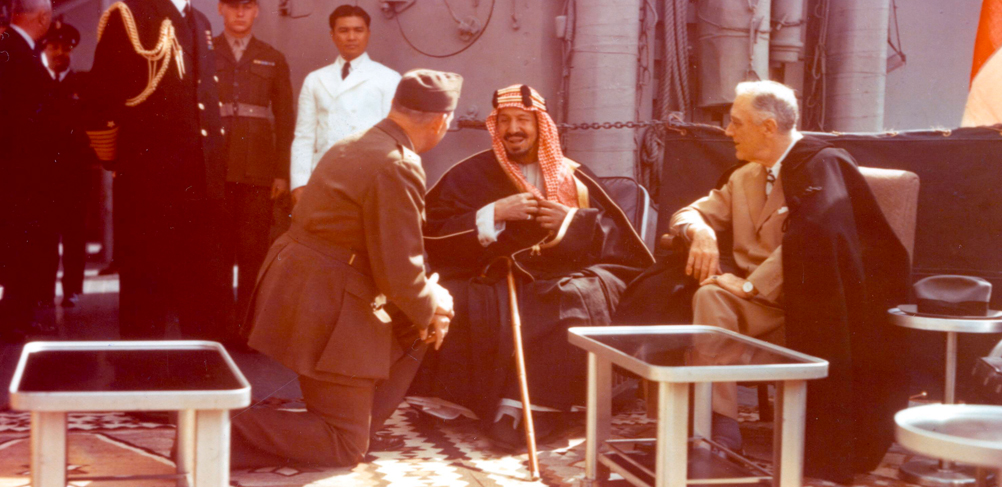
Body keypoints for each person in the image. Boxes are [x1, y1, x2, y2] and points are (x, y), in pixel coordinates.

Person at [617, 80, 909, 484]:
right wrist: (698, 232)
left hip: (811, 308)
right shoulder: (745, 177)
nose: (727, 131)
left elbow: (815, 239)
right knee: (708, 295)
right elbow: (689, 212)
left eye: (736, 123)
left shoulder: (822, 164)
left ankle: (712, 425)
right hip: (752, 308)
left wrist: (753, 286)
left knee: (717, 292)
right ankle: (719, 425)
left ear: (768, 127)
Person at [231, 69, 463, 469]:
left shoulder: (356, 142)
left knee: (417, 326)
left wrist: (426, 305)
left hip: (305, 284)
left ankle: (351, 425)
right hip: (326, 300)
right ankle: (221, 426)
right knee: (343, 447)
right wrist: (435, 303)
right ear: (442, 120)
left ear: (395, 107)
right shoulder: (398, 163)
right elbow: (400, 273)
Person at [415, 84, 654, 450]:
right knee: (471, 296)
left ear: (541, 125)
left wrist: (571, 219)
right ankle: (487, 405)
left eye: (522, 120)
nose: (513, 129)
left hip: (565, 275)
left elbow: (617, 241)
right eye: (505, 121)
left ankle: (535, 408)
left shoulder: (574, 176)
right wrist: (492, 214)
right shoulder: (469, 173)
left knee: (573, 295)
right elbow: (433, 234)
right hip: (499, 271)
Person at [85, 0, 233, 341]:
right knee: (148, 303)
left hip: (202, 194)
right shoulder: (129, 16)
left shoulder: (201, 25)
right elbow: (99, 108)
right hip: (150, 194)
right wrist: (127, 168)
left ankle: (199, 399)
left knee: (203, 301)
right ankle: (145, 400)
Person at [207, 0, 295, 342]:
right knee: (215, 252)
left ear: (256, 11)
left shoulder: (272, 59)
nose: (240, 14)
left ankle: (247, 328)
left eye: (247, 7)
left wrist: (281, 174)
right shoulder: (205, 53)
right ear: (220, 9)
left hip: (258, 173)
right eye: (232, 7)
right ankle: (216, 327)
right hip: (215, 170)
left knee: (253, 253)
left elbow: (287, 120)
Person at [290, 4, 400, 205]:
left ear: (368, 33)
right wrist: (299, 183)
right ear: (332, 35)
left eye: (358, 30)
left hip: (370, 178)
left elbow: (395, 138)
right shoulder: (315, 79)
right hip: (323, 177)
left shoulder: (389, 78)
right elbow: (304, 137)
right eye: (344, 30)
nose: (351, 37)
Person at [0, 0, 58, 341]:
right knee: (21, 248)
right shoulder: (18, 55)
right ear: (42, 19)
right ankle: (13, 322)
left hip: (13, 173)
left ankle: (14, 317)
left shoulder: (10, 49)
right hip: (22, 175)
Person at [41, 19, 95, 309]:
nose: (60, 53)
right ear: (45, 49)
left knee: (75, 234)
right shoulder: (35, 84)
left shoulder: (82, 85)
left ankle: (72, 289)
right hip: (43, 175)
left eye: (65, 48)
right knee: (45, 236)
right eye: (54, 47)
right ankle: (44, 291)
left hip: (75, 174)